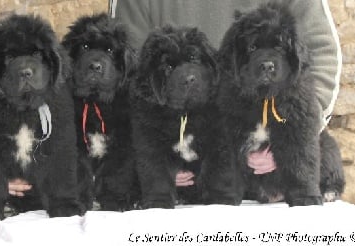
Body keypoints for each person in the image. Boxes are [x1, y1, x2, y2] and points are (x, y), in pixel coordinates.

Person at [109, 0, 341, 185]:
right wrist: (154, 166)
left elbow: (322, 53)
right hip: (181, 149)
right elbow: (125, 69)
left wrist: (292, 145)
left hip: (271, 139)